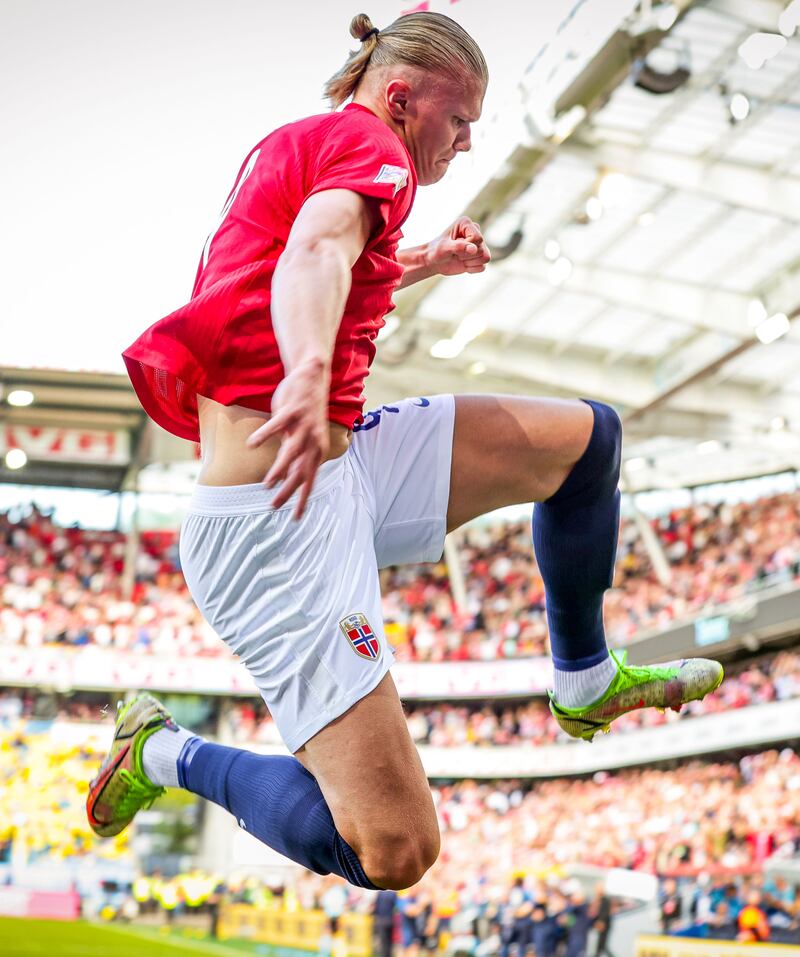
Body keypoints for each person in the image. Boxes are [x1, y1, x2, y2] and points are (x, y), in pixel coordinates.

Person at [86, 9, 724, 891]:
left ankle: (582, 680)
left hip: (343, 467)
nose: (465, 142)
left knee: (588, 442)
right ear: (400, 97)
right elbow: (310, 252)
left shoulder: (314, 145)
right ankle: (164, 751)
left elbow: (323, 249)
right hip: (275, 526)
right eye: (459, 120)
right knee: (395, 850)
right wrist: (307, 370)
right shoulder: (375, 152)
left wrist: (420, 259)